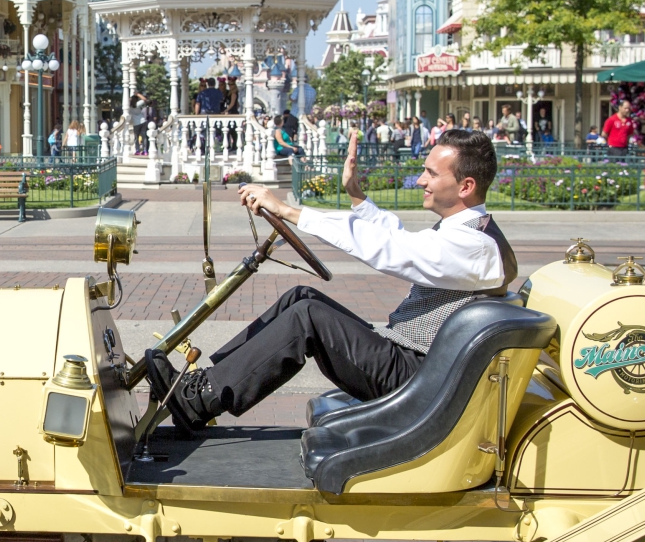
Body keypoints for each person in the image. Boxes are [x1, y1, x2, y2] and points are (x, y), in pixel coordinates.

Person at [143, 128, 515, 435]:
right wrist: (356, 195)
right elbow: (395, 233)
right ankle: (213, 380)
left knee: (308, 315)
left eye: (432, 174)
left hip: (417, 379)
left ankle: (200, 397)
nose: (421, 180)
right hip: (412, 362)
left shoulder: (476, 247)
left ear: (465, 186)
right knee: (301, 296)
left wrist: (288, 211)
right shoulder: (467, 233)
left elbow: (393, 248)